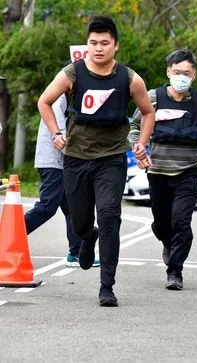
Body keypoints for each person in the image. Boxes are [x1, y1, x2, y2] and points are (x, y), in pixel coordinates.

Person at [37, 16, 155, 307]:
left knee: (109, 217)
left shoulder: (129, 78)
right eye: (93, 43)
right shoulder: (72, 73)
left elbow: (148, 112)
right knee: (79, 223)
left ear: (115, 46)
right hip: (76, 158)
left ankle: (107, 286)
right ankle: (87, 238)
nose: (98, 48)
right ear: (87, 45)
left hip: (111, 159)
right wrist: (56, 132)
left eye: (105, 43)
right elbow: (44, 101)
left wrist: (141, 143)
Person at [129, 48, 197, 290]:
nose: (181, 76)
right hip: (158, 171)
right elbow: (134, 126)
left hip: (189, 170)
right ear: (168, 72)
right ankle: (168, 241)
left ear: (193, 75)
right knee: (162, 223)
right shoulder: (152, 97)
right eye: (176, 72)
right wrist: (138, 146)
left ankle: (175, 271)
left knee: (181, 221)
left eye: (186, 72)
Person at [25, 93, 100, 268]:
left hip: (64, 162)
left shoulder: (75, 97)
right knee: (47, 207)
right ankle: (7, 236)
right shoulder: (59, 98)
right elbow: (61, 133)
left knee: (73, 208)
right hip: (53, 161)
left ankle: (76, 253)